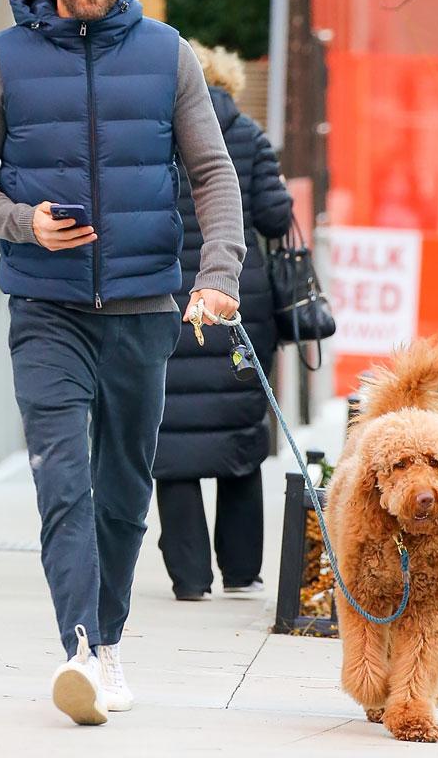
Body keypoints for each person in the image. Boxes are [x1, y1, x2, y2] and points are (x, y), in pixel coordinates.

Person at [0, 0, 245, 726]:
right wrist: (22, 223)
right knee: (63, 483)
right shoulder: (0, 61)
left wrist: (216, 274)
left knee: (121, 490)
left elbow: (215, 176)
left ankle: (107, 644)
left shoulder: (167, 56)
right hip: (47, 308)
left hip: (146, 308)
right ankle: (78, 649)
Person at [152, 41, 293, 601]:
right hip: (237, 301)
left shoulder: (158, 133)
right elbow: (276, 216)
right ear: (229, 84)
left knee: (173, 436)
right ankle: (241, 570)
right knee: (238, 436)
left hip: (170, 296)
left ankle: (189, 579)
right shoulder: (249, 135)